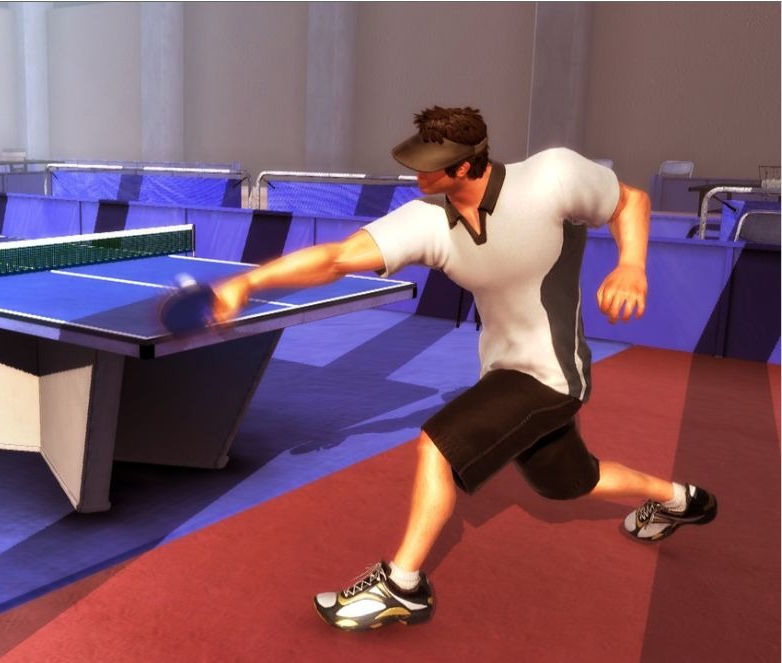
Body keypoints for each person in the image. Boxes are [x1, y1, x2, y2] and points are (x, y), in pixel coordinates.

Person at [210, 106, 718, 631]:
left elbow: (630, 201)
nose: (418, 173)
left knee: (438, 444)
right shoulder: (429, 221)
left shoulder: (551, 178)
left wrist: (631, 264)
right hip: (501, 370)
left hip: (552, 374)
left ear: (467, 166)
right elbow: (336, 258)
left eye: (430, 165)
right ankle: (680, 499)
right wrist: (249, 283)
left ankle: (403, 587)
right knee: (571, 481)